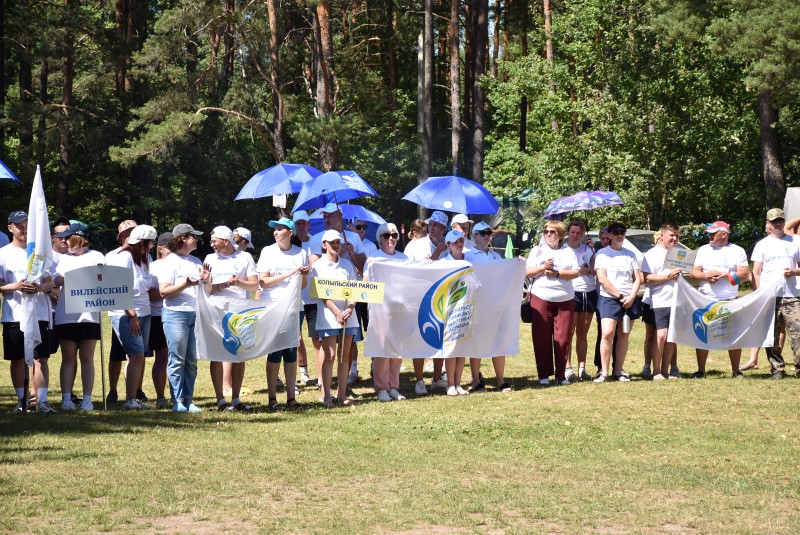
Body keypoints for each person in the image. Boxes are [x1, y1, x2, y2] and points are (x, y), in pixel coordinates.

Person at [0, 210, 56, 413]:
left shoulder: (39, 252)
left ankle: (42, 401)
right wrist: (16, 286)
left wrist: (38, 288)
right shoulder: (3, 253)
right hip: (14, 314)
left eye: (26, 225)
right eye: (19, 226)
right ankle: (21, 400)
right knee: (17, 359)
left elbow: (50, 282)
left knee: (40, 359)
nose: (23, 229)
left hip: (39, 313)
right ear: (10, 228)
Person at [204, 226, 260, 410]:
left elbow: (254, 286)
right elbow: (207, 290)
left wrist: (238, 282)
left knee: (239, 354)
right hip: (216, 311)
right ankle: (221, 399)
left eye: (214, 241)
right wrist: (205, 281)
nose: (211, 245)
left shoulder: (245, 257)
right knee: (216, 355)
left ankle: (236, 399)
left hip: (239, 312)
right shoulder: (210, 259)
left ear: (225, 241)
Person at [258, 217, 309, 410]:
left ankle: (291, 398)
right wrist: (291, 273)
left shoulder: (301, 253)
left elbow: (303, 285)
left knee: (290, 351)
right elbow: (263, 282)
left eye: (280, 229)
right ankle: (272, 398)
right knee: (275, 352)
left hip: (295, 307)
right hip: (274, 307)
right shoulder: (267, 251)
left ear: (290, 232)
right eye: (275, 229)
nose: (276, 232)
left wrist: (302, 275)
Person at [105, 224, 158, 409]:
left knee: (138, 356)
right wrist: (132, 314)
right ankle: (130, 400)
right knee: (136, 355)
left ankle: (133, 398)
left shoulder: (144, 258)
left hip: (145, 312)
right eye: (151, 242)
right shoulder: (124, 257)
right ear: (142, 242)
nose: (152, 246)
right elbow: (118, 288)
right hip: (127, 315)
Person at [52, 224, 104, 411]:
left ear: (77, 238)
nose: (64, 241)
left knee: (87, 358)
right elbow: (57, 280)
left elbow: (102, 278)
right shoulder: (63, 258)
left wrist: (76, 277)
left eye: (67, 238)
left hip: (89, 315)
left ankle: (87, 399)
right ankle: (66, 399)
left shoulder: (97, 256)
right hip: (66, 314)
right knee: (68, 358)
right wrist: (83, 276)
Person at [159, 224, 209, 413]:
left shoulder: (196, 260)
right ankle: (177, 400)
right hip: (175, 315)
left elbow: (205, 289)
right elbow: (164, 291)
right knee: (177, 359)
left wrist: (205, 280)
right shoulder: (170, 261)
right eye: (193, 236)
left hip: (195, 315)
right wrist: (185, 283)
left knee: (191, 360)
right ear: (182, 238)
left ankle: (189, 400)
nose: (196, 240)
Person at [690, 221, 750, 378]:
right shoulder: (703, 250)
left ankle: (736, 370)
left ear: (723, 234)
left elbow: (744, 275)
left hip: (730, 299)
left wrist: (721, 275)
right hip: (705, 299)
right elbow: (694, 273)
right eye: (709, 233)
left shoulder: (737, 250)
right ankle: (701, 370)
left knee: (733, 335)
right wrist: (707, 276)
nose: (709, 236)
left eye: (712, 233)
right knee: (703, 334)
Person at [526, 220, 580, 386]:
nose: (548, 234)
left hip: (565, 299)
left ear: (560, 235)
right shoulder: (537, 250)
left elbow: (576, 272)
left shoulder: (568, 251)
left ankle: (561, 375)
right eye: (546, 231)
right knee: (541, 337)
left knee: (563, 338)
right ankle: (543, 375)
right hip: (541, 296)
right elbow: (527, 272)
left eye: (552, 232)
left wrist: (557, 274)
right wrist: (543, 267)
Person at [750, 208, 800, 380]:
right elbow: (756, 273)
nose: (778, 224)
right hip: (769, 296)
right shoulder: (762, 245)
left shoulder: (795, 241)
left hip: (792, 295)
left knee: (798, 332)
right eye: (774, 221)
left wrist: (794, 272)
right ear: (768, 224)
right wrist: (758, 295)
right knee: (771, 334)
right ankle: (777, 369)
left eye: (780, 221)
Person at [311, 229, 359, 407]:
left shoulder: (347, 264)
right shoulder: (318, 266)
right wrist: (337, 312)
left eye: (338, 242)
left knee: (344, 356)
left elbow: (355, 289)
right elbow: (321, 293)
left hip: (348, 315)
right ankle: (326, 396)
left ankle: (342, 394)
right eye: (332, 242)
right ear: (324, 245)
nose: (336, 245)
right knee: (330, 355)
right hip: (328, 316)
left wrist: (350, 308)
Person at [403, 210, 449, 395]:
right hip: (420, 296)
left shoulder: (447, 244)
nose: (432, 227)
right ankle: (419, 380)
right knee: (419, 337)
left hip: (440, 297)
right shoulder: (419, 244)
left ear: (444, 227)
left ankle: (437, 378)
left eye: (436, 225)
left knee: (439, 337)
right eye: (430, 224)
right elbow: (423, 269)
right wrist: (438, 252)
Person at [465, 222, 512, 392]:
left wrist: (518, 263)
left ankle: (500, 380)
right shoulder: (467, 255)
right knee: (476, 342)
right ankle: (476, 380)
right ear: (474, 236)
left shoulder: (496, 256)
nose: (486, 236)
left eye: (489, 233)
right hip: (476, 305)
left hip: (495, 305)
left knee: (498, 340)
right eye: (482, 233)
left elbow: (508, 273)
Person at [365, 222, 408, 402]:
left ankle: (394, 387)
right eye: (386, 235)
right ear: (380, 239)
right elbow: (366, 282)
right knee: (382, 348)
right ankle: (382, 387)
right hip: (380, 309)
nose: (391, 238)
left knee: (397, 349)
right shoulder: (374, 258)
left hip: (399, 308)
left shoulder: (404, 258)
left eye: (394, 235)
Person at [594, 222, 641, 382]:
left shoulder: (630, 254)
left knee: (624, 335)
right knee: (607, 333)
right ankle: (604, 372)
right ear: (610, 235)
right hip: (610, 299)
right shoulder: (603, 254)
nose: (619, 235)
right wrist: (619, 296)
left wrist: (631, 297)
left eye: (622, 232)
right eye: (616, 232)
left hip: (629, 299)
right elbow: (602, 279)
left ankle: (618, 371)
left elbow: (637, 279)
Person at [641, 224, 683, 380]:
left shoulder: (679, 254)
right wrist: (668, 277)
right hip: (658, 300)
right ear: (662, 235)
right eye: (671, 235)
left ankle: (666, 371)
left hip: (676, 301)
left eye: (676, 236)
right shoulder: (652, 254)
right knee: (660, 336)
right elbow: (646, 278)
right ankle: (656, 371)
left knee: (671, 337)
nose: (674, 238)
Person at [105, 219, 137, 404]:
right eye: (129, 232)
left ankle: (136, 390)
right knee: (117, 354)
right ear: (122, 236)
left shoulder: (143, 255)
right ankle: (112, 390)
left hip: (139, 309)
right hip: (119, 311)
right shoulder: (113, 255)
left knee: (136, 354)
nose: (133, 235)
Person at [439, 229, 472, 395]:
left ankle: (458, 383)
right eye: (455, 242)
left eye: (461, 241)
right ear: (448, 245)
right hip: (449, 310)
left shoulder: (469, 261)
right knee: (451, 347)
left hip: (467, 308)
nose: (459, 244)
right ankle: (450, 384)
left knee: (462, 347)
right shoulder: (443, 263)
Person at [345, 217, 377, 386]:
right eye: (358, 226)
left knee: (373, 330)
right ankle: (353, 370)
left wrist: (356, 256)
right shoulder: (344, 242)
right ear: (350, 226)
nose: (362, 229)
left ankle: (375, 365)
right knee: (353, 335)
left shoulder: (371, 246)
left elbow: (369, 268)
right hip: (353, 292)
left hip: (369, 292)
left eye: (364, 226)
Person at [564, 219, 596, 381]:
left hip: (588, 292)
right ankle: (567, 369)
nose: (575, 235)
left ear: (583, 234)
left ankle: (582, 368)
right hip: (571, 292)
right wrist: (579, 271)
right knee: (569, 332)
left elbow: (593, 271)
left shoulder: (588, 248)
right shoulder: (562, 249)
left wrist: (593, 252)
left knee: (583, 333)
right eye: (573, 232)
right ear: (568, 233)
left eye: (578, 233)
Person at [147, 231, 173, 408]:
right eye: (171, 247)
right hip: (158, 316)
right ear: (161, 248)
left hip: (178, 314)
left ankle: (179, 396)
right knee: (162, 358)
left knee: (177, 359)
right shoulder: (153, 267)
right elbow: (151, 295)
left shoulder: (182, 263)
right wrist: (174, 291)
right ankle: (161, 397)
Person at [293, 210, 317, 386]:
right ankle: (304, 373)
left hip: (314, 297)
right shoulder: (290, 244)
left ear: (308, 225)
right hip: (296, 297)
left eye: (303, 223)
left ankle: (322, 375)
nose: (301, 226)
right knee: (297, 337)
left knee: (317, 339)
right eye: (298, 224)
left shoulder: (316, 242)